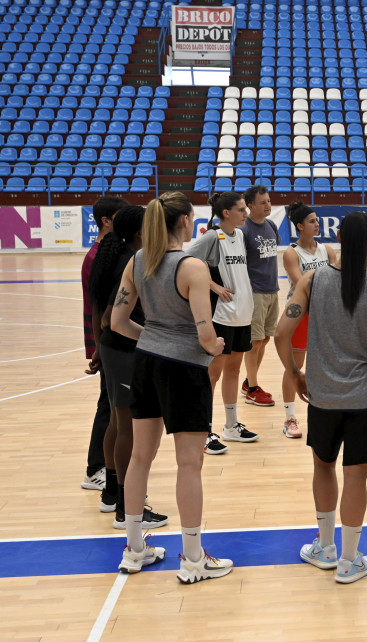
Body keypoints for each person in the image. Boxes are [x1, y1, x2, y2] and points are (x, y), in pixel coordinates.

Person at [274, 211, 367, 584]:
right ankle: (349, 560)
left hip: (324, 396)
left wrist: (294, 373)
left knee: (323, 466)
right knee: (356, 478)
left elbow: (281, 334)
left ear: (337, 236)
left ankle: (325, 547)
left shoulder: (312, 280)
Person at [111, 191, 232, 583]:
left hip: (146, 362)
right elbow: (204, 334)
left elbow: (117, 322)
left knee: (140, 458)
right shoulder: (193, 267)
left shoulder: (138, 260)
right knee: (189, 463)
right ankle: (194, 559)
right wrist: (215, 346)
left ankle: (134, 549)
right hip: (184, 370)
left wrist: (153, 340)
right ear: (185, 222)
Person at [90, 205, 168, 529]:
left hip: (113, 349)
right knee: (128, 430)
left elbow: (100, 313)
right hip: (124, 349)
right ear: (140, 231)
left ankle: (111, 494)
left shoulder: (119, 254)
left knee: (116, 424)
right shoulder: (131, 260)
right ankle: (126, 508)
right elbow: (111, 316)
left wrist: (98, 348)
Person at [188, 192, 260, 455]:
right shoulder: (211, 236)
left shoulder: (239, 235)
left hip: (241, 313)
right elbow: (185, 261)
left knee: (233, 371)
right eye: (241, 210)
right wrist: (213, 285)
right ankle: (204, 431)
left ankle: (231, 425)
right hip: (220, 315)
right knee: (213, 374)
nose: (246, 213)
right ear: (226, 213)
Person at [80, 196, 128, 491]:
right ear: (107, 221)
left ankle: (103, 465)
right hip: (108, 342)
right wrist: (98, 347)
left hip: (108, 343)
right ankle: (95, 468)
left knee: (110, 405)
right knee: (107, 406)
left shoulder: (110, 252)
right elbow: (98, 307)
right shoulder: (97, 257)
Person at [280, 201, 335, 439]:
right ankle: (289, 417)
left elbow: (337, 281)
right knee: (294, 366)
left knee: (328, 362)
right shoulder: (292, 253)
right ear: (300, 226)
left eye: (317, 220)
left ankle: (329, 409)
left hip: (324, 311)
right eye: (312, 221)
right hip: (300, 313)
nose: (317, 224)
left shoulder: (327, 250)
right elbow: (301, 284)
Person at [241, 185, 280, 407]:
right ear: (250, 206)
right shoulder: (244, 230)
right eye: (263, 202)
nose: (268, 205)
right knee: (254, 342)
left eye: (269, 201)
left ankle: (249, 381)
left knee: (264, 339)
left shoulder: (271, 225)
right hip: (255, 293)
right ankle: (253, 390)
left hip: (272, 289)